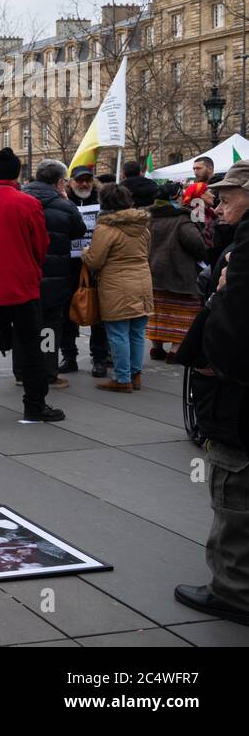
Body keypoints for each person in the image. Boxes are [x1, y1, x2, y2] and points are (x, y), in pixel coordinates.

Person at [174, 160, 249, 625]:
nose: (217, 207)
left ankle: (234, 590)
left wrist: (220, 297)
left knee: (233, 492)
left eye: (227, 198)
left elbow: (233, 331)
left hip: (237, 397)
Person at [0, 148, 65, 423]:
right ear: (18, 173)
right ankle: (34, 404)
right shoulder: (28, 203)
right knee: (31, 347)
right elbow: (40, 245)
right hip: (21, 286)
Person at [17, 160, 85, 390]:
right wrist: (67, 203)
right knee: (49, 326)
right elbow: (79, 230)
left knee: (22, 324)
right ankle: (47, 372)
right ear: (59, 183)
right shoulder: (63, 205)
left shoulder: (20, 199)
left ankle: (20, 371)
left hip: (24, 273)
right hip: (55, 276)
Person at [81, 183, 153, 393]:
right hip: (143, 281)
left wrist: (86, 252)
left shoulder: (105, 228)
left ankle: (122, 379)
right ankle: (135, 375)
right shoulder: (143, 226)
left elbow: (94, 261)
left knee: (118, 332)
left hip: (116, 285)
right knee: (138, 332)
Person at [143, 180, 205, 363]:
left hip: (152, 273)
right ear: (175, 197)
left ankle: (156, 348)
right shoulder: (182, 219)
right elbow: (196, 244)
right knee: (182, 314)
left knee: (158, 312)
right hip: (178, 275)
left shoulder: (147, 217)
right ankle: (175, 351)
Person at [61, 165, 109, 377]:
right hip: (69, 266)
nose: (84, 184)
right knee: (67, 313)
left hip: (95, 265)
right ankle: (69, 356)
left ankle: (99, 358)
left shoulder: (101, 202)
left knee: (98, 313)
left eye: (88, 180)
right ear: (71, 182)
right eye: (80, 180)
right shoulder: (64, 202)